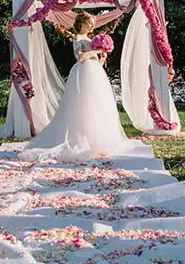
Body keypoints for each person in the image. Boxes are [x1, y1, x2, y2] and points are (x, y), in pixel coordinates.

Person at [18, 11, 134, 161]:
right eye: (90, 22)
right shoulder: (78, 38)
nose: (92, 25)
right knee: (81, 104)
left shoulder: (89, 39)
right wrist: (95, 50)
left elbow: (95, 62)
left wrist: (102, 57)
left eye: (93, 23)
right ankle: (79, 137)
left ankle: (97, 138)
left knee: (96, 105)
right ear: (82, 23)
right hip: (82, 73)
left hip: (95, 74)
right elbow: (79, 57)